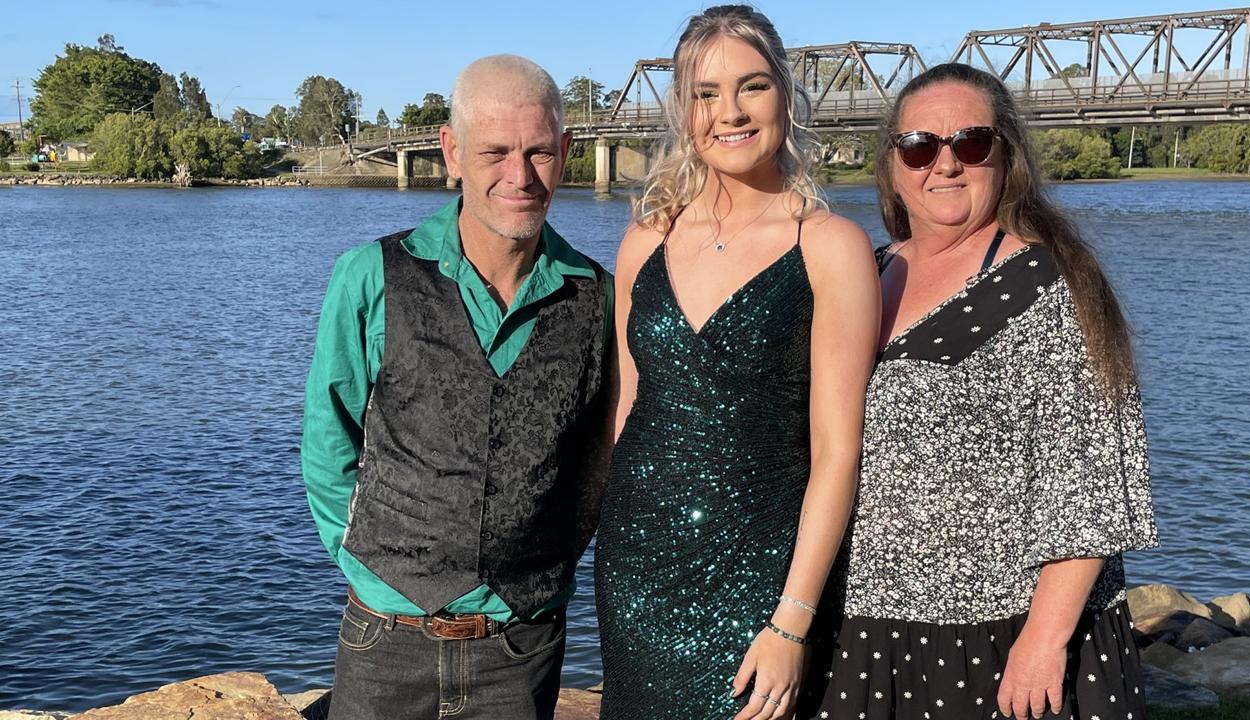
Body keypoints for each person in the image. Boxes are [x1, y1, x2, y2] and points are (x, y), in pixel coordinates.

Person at [801, 62, 1160, 720]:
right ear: (890, 166)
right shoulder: (863, 269)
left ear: (1006, 155)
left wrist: (1044, 641)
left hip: (993, 639)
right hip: (858, 626)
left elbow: (1091, 486)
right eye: (918, 147)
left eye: (969, 142)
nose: (944, 165)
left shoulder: (1053, 285)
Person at [300, 55, 613, 720]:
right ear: (452, 152)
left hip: (521, 650)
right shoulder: (368, 277)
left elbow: (598, 460)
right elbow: (329, 445)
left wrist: (542, 576)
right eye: (495, 151)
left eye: (537, 152)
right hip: (386, 642)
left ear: (567, 151)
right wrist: (372, 570)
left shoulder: (599, 298)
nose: (519, 176)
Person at [593, 6, 880, 719]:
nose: (730, 112)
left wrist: (792, 619)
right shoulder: (644, 241)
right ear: (684, 109)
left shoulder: (829, 245)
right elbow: (628, 409)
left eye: (751, 87)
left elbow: (839, 450)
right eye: (705, 93)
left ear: (785, 92)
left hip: (759, 570)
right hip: (637, 562)